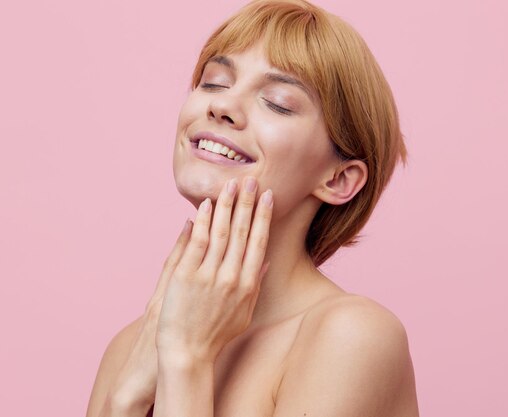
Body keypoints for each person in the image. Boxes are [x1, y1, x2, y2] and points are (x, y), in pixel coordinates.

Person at [86, 0, 419, 416]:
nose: (221, 106)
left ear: (338, 179)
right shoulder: (130, 347)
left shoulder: (352, 336)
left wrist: (186, 360)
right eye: (213, 82)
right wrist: (126, 400)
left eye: (277, 102)